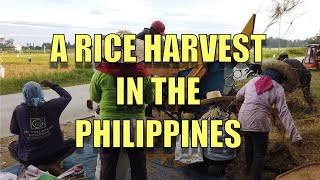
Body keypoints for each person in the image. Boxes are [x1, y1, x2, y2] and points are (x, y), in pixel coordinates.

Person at [90, 30, 155, 180]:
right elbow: (149, 99)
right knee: (138, 162)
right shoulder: (144, 74)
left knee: (108, 161)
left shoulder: (100, 73)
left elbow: (95, 96)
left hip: (109, 124)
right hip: (135, 123)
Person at [236, 59, 303, 180]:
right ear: (280, 77)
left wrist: (242, 103)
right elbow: (284, 112)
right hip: (259, 122)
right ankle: (254, 177)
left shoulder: (253, 81)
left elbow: (239, 96)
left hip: (243, 118)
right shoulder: (278, 88)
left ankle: (248, 172)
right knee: (259, 154)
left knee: (249, 148)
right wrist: (295, 136)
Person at [8, 80, 75, 176]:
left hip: (30, 157)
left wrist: (30, 131)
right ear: (40, 92)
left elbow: (13, 130)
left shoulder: (19, 110)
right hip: (54, 154)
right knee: (73, 142)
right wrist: (52, 85)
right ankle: (54, 163)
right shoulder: (53, 106)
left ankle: (29, 166)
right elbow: (67, 96)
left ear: (24, 94)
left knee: (12, 146)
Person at [199, 91, 238, 176]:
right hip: (229, 157)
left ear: (208, 104)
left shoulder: (204, 117)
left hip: (210, 157)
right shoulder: (231, 115)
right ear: (222, 102)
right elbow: (238, 131)